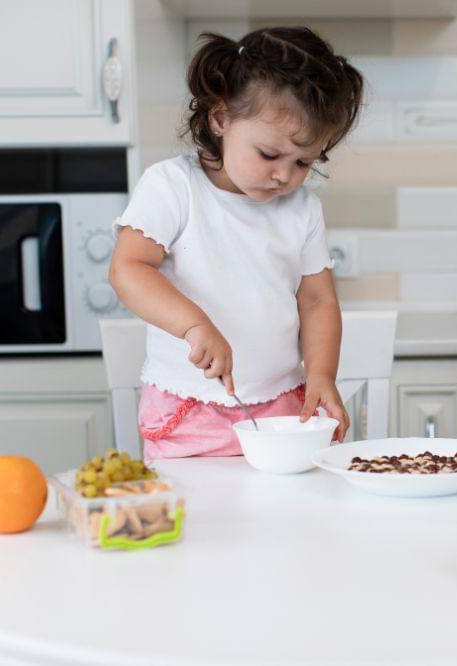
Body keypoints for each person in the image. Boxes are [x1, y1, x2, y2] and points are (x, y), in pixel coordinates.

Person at [109, 27, 363, 461]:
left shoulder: (302, 209)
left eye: (303, 162)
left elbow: (318, 301)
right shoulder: (173, 187)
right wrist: (194, 325)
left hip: (283, 407)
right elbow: (128, 269)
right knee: (199, 522)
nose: (285, 175)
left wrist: (321, 374)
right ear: (220, 117)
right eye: (269, 155)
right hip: (188, 411)